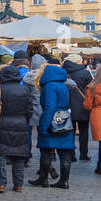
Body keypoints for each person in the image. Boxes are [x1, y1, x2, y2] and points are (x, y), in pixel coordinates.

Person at [0, 63, 34, 192]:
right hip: (21, 124)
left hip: (2, 124)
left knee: (0, 155)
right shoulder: (25, 89)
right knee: (18, 156)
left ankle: (1, 184)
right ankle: (18, 185)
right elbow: (30, 110)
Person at [30, 60, 76, 189]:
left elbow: (50, 107)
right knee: (65, 152)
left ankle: (43, 179)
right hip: (64, 120)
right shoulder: (63, 85)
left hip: (52, 121)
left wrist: (44, 126)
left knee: (46, 151)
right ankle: (64, 181)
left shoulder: (49, 87)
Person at [62, 53, 93, 161]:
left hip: (67, 105)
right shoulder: (85, 73)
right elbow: (91, 89)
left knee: (69, 131)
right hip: (83, 105)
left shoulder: (63, 72)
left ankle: (71, 155)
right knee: (84, 131)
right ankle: (84, 154)